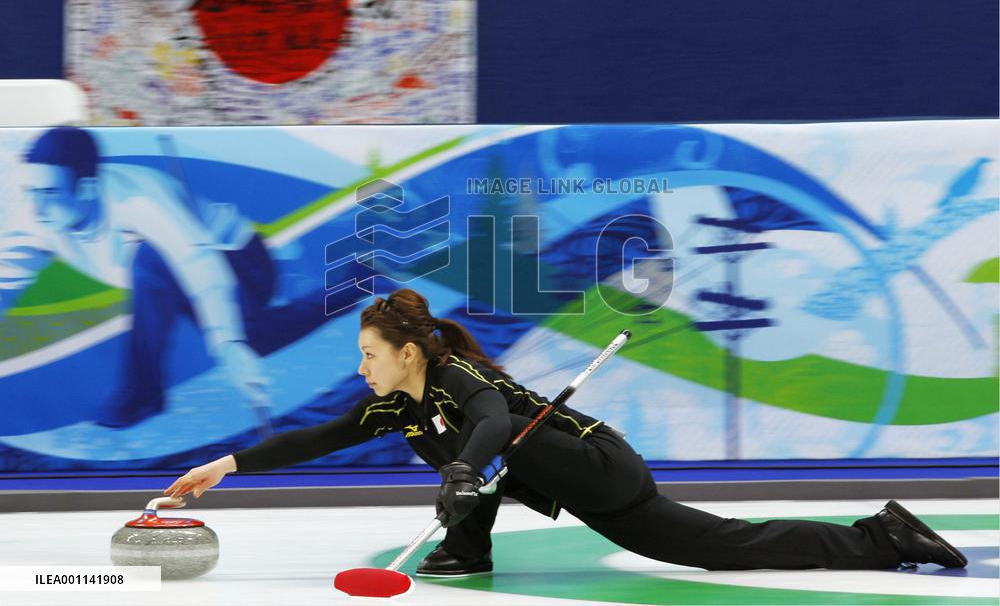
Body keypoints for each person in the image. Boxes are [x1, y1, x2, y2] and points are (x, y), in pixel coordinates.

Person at [164, 288, 968, 576]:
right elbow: (320, 435)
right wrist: (226, 463)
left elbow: (491, 420)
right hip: (551, 473)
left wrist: (463, 474)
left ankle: (880, 536)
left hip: (596, 463)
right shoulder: (398, 401)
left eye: (372, 355)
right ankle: (470, 543)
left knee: (482, 440)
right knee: (455, 450)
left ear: (408, 351)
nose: (364, 367)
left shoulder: (457, 377)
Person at [0, 126, 334, 427]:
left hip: (239, 261)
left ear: (87, 189)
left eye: (49, 194)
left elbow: (197, 262)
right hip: (170, 283)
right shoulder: (35, 217)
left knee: (152, 261)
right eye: (31, 192)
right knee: (256, 338)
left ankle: (143, 392)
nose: (36, 208)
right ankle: (349, 285)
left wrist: (228, 344)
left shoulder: (139, 199)